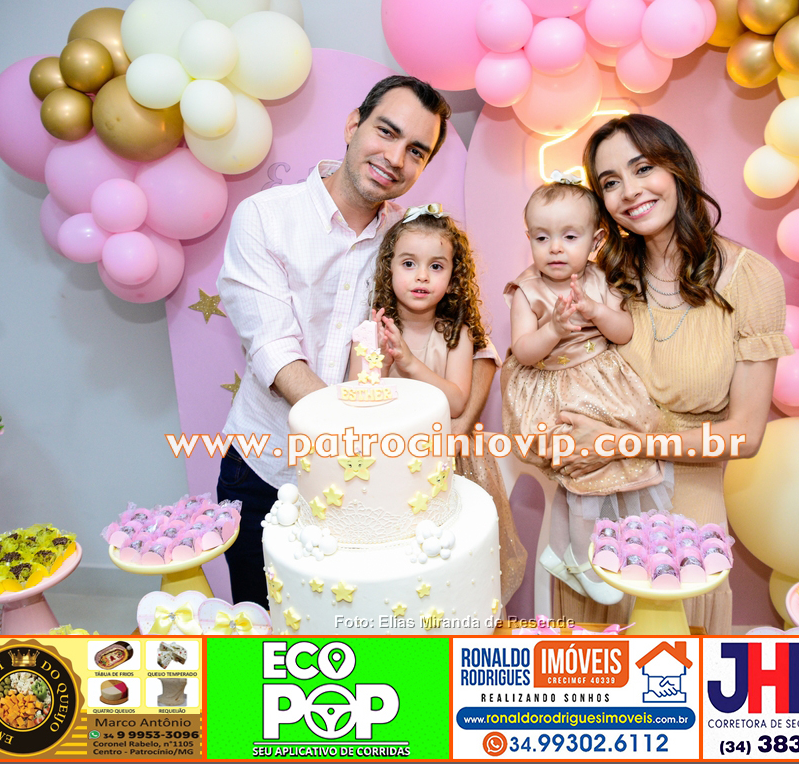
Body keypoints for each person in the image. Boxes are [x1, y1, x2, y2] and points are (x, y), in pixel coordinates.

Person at [216, 76, 498, 607]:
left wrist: (454, 429)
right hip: (267, 466)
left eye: (416, 151)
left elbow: (478, 349)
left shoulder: (411, 241)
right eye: (386, 132)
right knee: (263, 630)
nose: (395, 158)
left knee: (366, 626)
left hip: (375, 487)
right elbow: (275, 352)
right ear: (353, 125)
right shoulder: (265, 217)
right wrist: (351, 440)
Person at [552, 114, 793, 634]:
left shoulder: (751, 279)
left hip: (685, 520)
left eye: (643, 168)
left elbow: (746, 435)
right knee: (591, 667)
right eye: (610, 182)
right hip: (594, 500)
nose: (629, 192)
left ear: (677, 167)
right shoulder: (602, 276)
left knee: (674, 665)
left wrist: (623, 443)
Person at [500, 177, 673, 604]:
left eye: (569, 237)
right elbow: (524, 351)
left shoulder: (600, 280)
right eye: (542, 238)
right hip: (553, 387)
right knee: (581, 468)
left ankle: (570, 550)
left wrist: (596, 310)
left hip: (601, 381)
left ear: (595, 241)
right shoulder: (527, 290)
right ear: (529, 238)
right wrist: (554, 328)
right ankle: (581, 557)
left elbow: (623, 331)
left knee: (614, 458)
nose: (555, 248)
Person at [352, 205, 528, 603]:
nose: (421, 276)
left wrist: (410, 363)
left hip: (448, 465)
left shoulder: (455, 333)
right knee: (401, 569)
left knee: (450, 567)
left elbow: (457, 401)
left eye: (436, 266)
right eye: (409, 263)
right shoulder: (370, 332)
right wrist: (379, 360)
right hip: (389, 463)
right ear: (389, 269)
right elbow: (357, 401)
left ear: (452, 278)